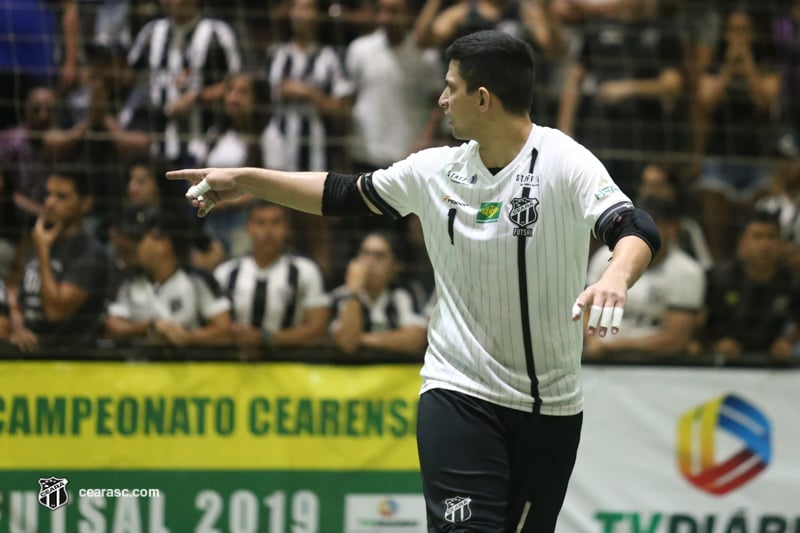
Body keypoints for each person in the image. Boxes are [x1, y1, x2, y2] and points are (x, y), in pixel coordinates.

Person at [168, 30, 659, 531]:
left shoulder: (563, 161)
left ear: (483, 98)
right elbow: (341, 193)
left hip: (550, 410)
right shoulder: (434, 170)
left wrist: (616, 276)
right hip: (458, 393)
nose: (442, 99)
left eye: (451, 87)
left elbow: (634, 227)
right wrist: (245, 179)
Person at [584, 195, 705, 358]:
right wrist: (593, 341)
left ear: (672, 228)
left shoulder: (687, 272)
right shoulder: (604, 257)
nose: (643, 232)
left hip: (655, 363)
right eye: (636, 225)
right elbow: (584, 310)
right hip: (598, 357)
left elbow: (675, 340)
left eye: (652, 225)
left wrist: (615, 347)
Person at [9, 170, 110, 352]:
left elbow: (55, 311)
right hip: (30, 359)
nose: (49, 203)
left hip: (70, 360)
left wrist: (43, 251)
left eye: (61, 197)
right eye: (47, 194)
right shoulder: (41, 241)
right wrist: (19, 329)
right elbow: (18, 302)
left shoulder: (91, 253)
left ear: (85, 204)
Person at [105, 207, 232, 349]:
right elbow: (112, 326)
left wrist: (188, 337)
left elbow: (225, 331)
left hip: (190, 366)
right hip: (138, 367)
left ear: (164, 245)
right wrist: (150, 326)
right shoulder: (127, 281)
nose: (133, 246)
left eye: (139, 239)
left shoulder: (198, 280)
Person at [213, 202, 330, 355]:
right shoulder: (226, 272)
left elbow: (318, 330)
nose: (268, 231)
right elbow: (213, 326)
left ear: (286, 227)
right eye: (260, 223)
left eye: (275, 222)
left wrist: (266, 338)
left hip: (289, 367)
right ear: (248, 227)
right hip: (233, 367)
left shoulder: (306, 270)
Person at [700, 210, 800, 361]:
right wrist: (714, 344)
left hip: (775, 365)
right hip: (723, 362)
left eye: (771, 237)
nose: (765, 245)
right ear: (743, 243)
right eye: (757, 237)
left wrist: (789, 342)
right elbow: (698, 326)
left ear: (781, 243)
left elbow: (795, 326)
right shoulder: (718, 279)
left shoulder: (793, 284)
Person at [330, 231, 428, 356]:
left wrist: (361, 339)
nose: (370, 262)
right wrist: (354, 293)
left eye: (379, 256)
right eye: (365, 254)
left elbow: (415, 340)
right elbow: (348, 344)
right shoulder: (341, 295)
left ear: (396, 265)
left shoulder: (407, 293)